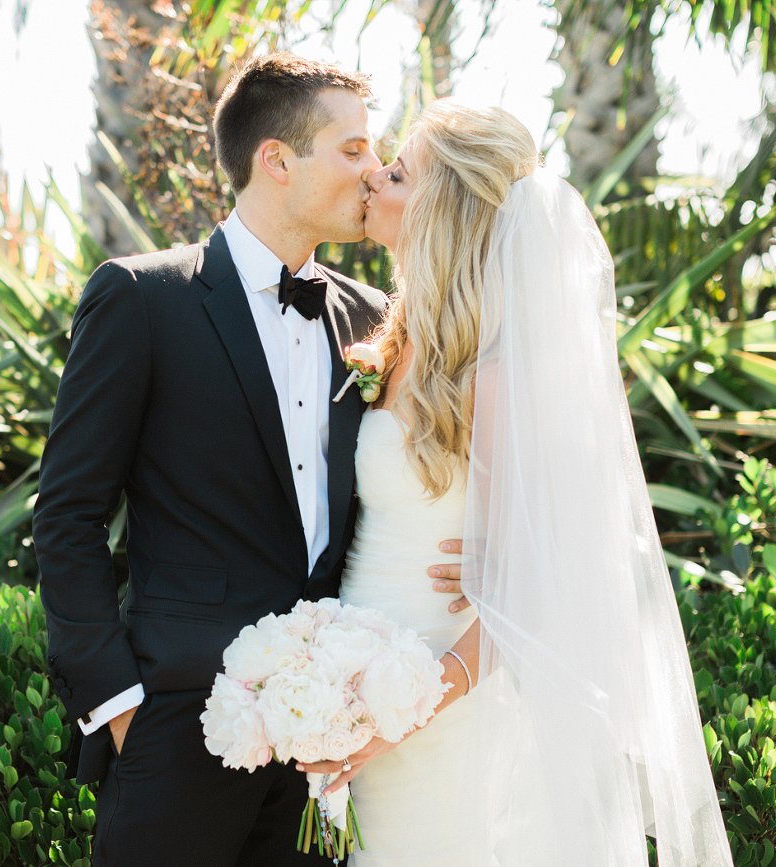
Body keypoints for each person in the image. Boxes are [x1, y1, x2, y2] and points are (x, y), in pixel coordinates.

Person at [32, 54, 465, 866]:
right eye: (352, 148)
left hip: (333, 740)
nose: (373, 170)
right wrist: (120, 702)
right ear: (275, 159)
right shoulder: (141, 298)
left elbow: (416, 478)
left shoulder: (376, 319)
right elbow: (66, 514)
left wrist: (487, 554)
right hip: (177, 723)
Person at [300, 101, 734, 866]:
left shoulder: (492, 376)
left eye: (397, 173)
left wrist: (401, 713)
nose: (374, 177)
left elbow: (530, 589)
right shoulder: (394, 343)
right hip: (361, 688)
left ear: (443, 207)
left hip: (446, 709)